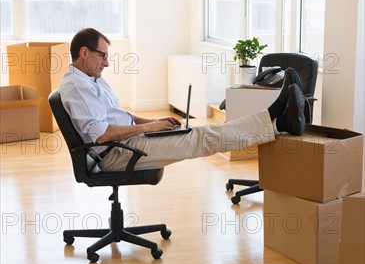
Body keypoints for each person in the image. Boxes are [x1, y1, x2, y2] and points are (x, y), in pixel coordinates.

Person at [59, 28, 306, 171]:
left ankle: (278, 121)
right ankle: (276, 119)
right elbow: (101, 134)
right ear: (84, 53)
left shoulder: (91, 80)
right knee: (204, 137)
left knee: (204, 131)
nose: (106, 62)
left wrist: (153, 121)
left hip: (129, 142)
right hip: (119, 154)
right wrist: (148, 127)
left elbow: (121, 117)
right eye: (102, 56)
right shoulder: (77, 86)